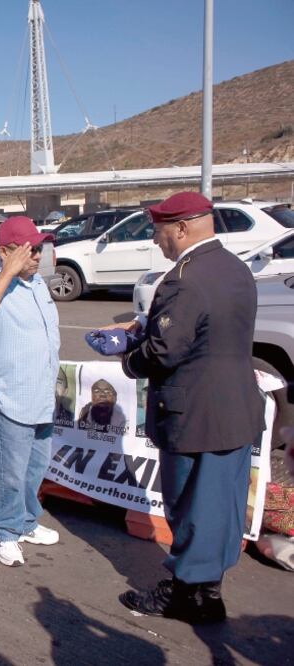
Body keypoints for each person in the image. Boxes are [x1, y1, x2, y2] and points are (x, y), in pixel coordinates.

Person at [115, 192, 265, 623]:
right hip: (234, 409)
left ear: (181, 229)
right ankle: (208, 592)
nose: (156, 240)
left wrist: (129, 356)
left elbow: (165, 351)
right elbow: (208, 330)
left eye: (159, 231)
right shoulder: (235, 268)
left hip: (193, 413)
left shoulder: (184, 277)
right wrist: (147, 327)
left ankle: (184, 595)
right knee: (221, 506)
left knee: (191, 505)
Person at [0, 216, 61, 567]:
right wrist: (8, 271)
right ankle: (6, 532)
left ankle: (26, 522)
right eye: (28, 250)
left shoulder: (37, 284)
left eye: (39, 248)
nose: (37, 255)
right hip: (12, 395)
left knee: (35, 467)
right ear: (5, 252)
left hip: (41, 395)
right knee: (10, 471)